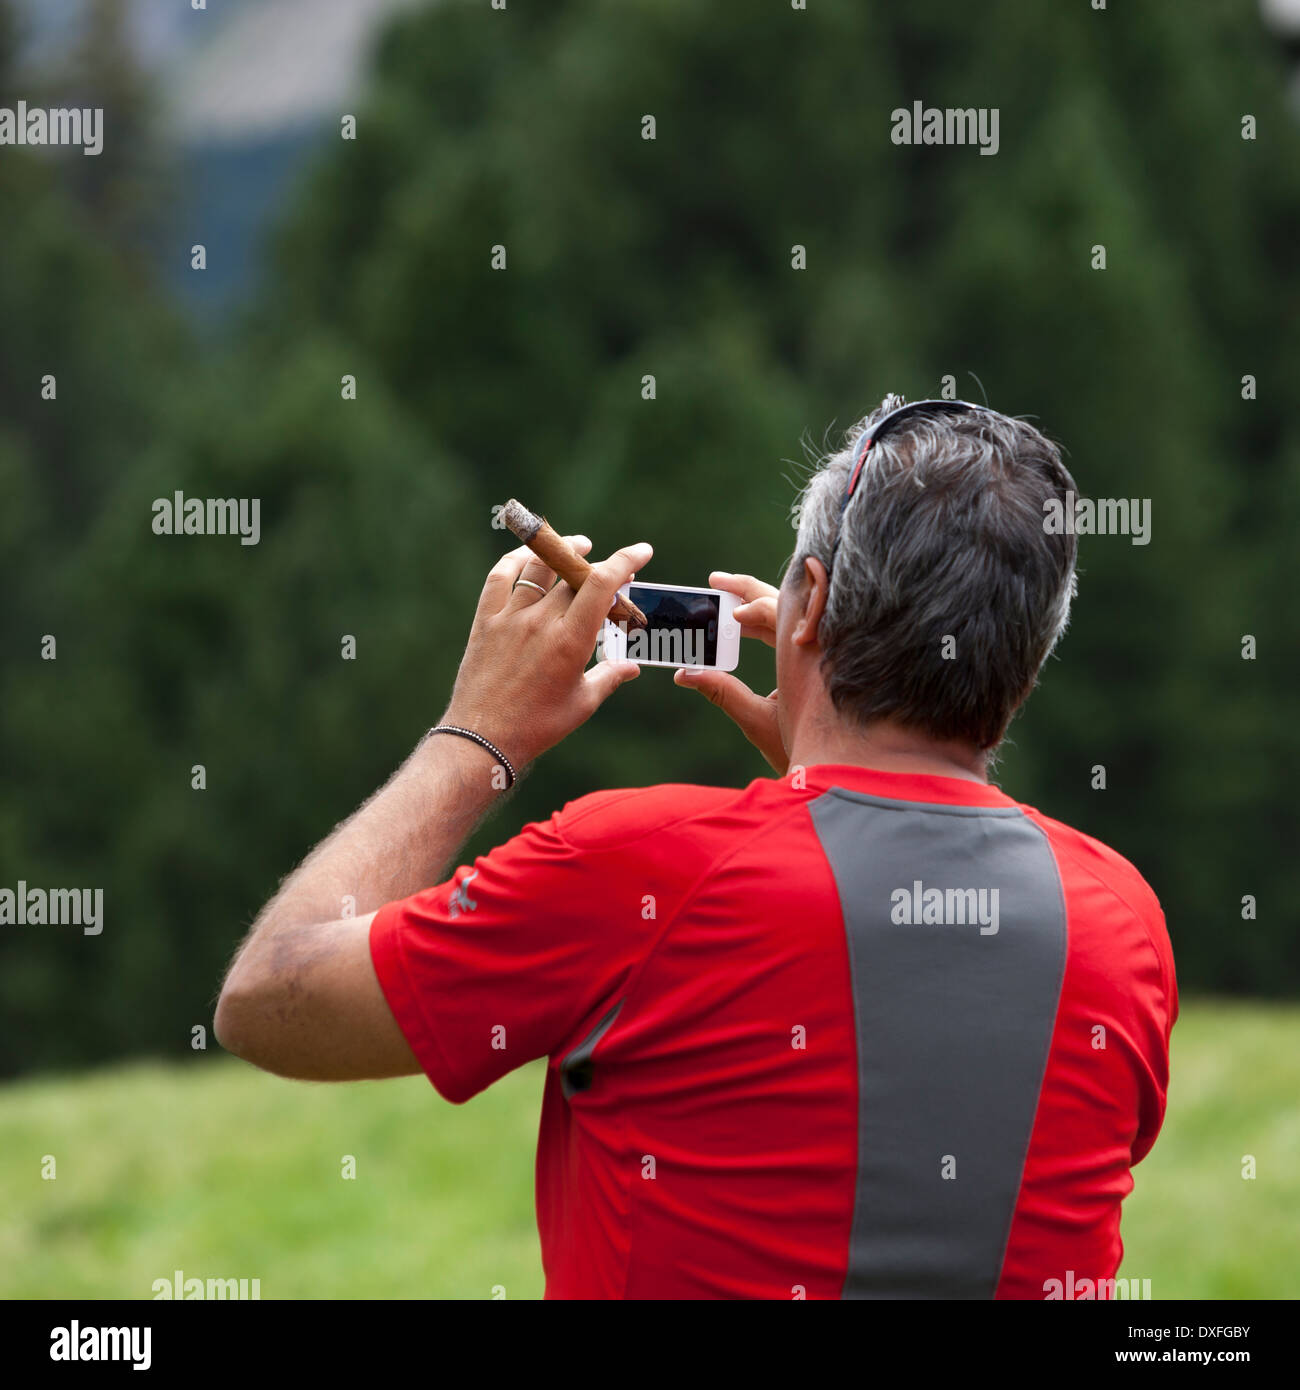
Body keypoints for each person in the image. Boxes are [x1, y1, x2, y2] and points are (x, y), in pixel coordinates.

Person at [215, 396, 1177, 1300]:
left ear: (808, 609)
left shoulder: (641, 866)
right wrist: (844, 779)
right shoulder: (1120, 923)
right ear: (1029, 655)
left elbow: (269, 997)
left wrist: (478, 738)